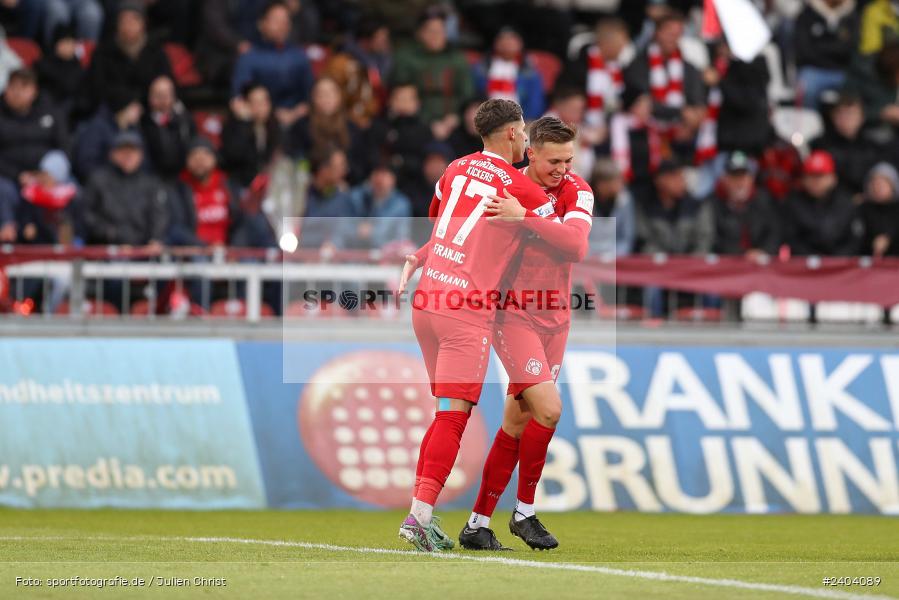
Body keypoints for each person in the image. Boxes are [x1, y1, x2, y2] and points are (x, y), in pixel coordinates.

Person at [394, 99, 552, 553]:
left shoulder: (454, 169)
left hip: (427, 302)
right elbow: (567, 240)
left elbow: (440, 224)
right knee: (453, 417)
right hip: (466, 311)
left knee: (444, 414)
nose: (526, 138)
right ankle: (419, 519)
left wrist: (424, 257)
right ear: (509, 134)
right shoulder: (519, 187)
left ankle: (418, 514)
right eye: (523, 131)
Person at [458, 116, 593, 552]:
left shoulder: (579, 190)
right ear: (530, 152)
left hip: (556, 318)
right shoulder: (506, 184)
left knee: (516, 423)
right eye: (554, 160)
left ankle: (477, 524)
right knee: (549, 410)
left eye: (569, 160)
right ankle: (524, 513)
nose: (562, 169)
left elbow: (576, 246)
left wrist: (526, 219)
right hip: (512, 314)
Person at [0, 68, 69, 243]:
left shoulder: (49, 111)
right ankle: (7, 237)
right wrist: (18, 175)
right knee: (3, 190)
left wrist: (47, 175)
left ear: (34, 91)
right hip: (8, 177)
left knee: (74, 189)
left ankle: (68, 241)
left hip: (45, 175)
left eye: (24, 87)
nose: (17, 92)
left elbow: (64, 147)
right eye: (13, 87)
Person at [390, 6, 474, 139]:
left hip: (454, 124)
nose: (436, 36)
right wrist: (427, 125)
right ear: (420, 33)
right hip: (416, 123)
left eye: (440, 31)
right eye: (430, 31)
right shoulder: (406, 58)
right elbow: (401, 95)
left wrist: (455, 117)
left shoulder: (457, 59)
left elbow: (467, 95)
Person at [231, 0, 314, 127]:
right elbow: (240, 97)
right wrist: (269, 114)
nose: (282, 26)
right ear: (261, 24)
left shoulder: (299, 56)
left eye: (286, 21)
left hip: (297, 121)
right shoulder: (249, 57)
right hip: (260, 121)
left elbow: (309, 95)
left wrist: (294, 114)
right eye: (276, 20)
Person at [85, 1, 172, 114]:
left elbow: (167, 82)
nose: (128, 25)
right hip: (113, 115)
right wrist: (126, 103)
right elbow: (97, 89)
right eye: (124, 20)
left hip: (151, 115)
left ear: (143, 23)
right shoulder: (104, 52)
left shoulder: (155, 51)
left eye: (134, 19)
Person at [83, 131, 168, 247]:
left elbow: (159, 215)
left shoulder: (151, 183)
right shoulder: (98, 180)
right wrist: (111, 234)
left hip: (143, 252)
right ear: (112, 154)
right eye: (123, 151)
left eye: (132, 151)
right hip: (106, 250)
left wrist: (154, 239)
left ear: (141, 155)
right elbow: (87, 216)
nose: (128, 156)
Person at [285, 76, 369, 184]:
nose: (326, 98)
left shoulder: (352, 128)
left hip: (346, 185)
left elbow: (360, 164)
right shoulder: (301, 126)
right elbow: (296, 159)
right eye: (321, 94)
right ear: (313, 98)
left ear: (339, 97)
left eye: (331, 93)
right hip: (310, 184)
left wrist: (343, 175)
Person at [784, 150, 861, 256]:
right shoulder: (793, 203)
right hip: (805, 265)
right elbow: (791, 238)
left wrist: (835, 260)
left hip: (842, 266)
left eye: (820, 176)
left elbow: (854, 238)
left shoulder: (846, 203)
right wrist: (814, 260)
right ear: (803, 179)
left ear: (833, 178)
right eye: (811, 175)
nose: (815, 181)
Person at [711, 152, 782, 258]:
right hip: (728, 266)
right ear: (725, 180)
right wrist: (743, 255)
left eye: (743, 176)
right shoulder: (715, 204)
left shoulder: (764, 201)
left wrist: (764, 252)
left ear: (751, 179)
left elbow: (775, 232)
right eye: (735, 177)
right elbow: (713, 239)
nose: (740, 182)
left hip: (763, 264)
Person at [794, 0, 859, 107]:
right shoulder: (808, 14)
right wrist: (836, 48)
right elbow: (804, 49)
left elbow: (850, 48)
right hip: (813, 69)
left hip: (843, 70)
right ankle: (809, 122)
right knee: (806, 89)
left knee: (857, 90)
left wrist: (821, 47)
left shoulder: (851, 15)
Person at [472, 27, 545, 121]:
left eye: (511, 40)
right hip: (488, 119)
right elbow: (474, 94)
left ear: (520, 43)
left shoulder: (530, 73)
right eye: (502, 39)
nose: (507, 43)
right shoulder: (481, 68)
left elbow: (535, 103)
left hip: (520, 121)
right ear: (496, 43)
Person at [335, 163, 412, 250]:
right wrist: (357, 231)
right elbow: (342, 229)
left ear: (393, 179)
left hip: (385, 256)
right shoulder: (357, 197)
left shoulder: (401, 204)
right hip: (355, 253)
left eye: (384, 175)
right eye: (376, 173)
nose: (379, 179)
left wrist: (372, 233)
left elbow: (402, 239)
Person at [220, 82, 282, 188]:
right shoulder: (234, 126)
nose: (262, 107)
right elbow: (235, 155)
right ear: (245, 104)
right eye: (256, 103)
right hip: (240, 184)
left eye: (265, 102)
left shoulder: (273, 124)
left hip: (267, 183)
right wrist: (244, 121)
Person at [140, 75, 196, 181]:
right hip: (153, 177)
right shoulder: (142, 122)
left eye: (167, 94)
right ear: (150, 97)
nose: (163, 100)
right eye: (159, 95)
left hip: (183, 176)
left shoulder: (185, 119)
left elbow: (192, 145)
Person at [298, 147, 355, 249]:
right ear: (323, 169)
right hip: (300, 257)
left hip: (331, 260)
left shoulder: (343, 199)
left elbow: (346, 231)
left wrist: (333, 245)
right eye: (339, 167)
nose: (344, 171)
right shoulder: (302, 196)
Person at [588, 159, 635, 257]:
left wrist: (614, 256)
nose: (620, 185)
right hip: (587, 259)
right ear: (599, 184)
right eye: (614, 182)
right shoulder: (584, 200)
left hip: (615, 259)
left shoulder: (625, 200)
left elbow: (626, 237)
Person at [858, 162, 899, 256]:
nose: (877, 187)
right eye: (874, 183)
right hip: (868, 264)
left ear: (893, 185)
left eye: (882, 183)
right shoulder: (863, 210)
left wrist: (889, 239)